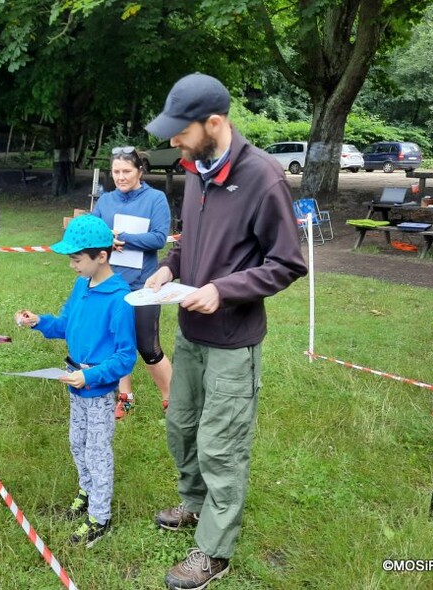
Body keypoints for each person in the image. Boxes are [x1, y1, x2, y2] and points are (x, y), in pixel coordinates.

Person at [143, 73, 308, 589]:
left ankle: (214, 550)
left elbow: (287, 262)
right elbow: (192, 237)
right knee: (183, 426)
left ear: (214, 122)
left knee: (221, 444)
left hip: (234, 339)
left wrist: (224, 289)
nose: (173, 143)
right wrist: (172, 265)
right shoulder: (195, 170)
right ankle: (195, 504)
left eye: (180, 131)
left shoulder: (264, 177)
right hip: (191, 331)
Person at [15, 215, 137, 547]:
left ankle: (100, 516)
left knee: (97, 451)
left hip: (96, 390)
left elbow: (126, 357)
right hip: (75, 384)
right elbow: (66, 324)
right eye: (70, 259)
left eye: (77, 259)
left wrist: (91, 375)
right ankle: (87, 489)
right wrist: (40, 321)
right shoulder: (82, 285)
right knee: (77, 443)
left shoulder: (120, 299)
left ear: (102, 256)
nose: (72, 265)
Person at [91, 147, 173, 419]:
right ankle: (125, 397)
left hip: (144, 286)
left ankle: (172, 398)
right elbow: (94, 231)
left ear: (140, 171)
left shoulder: (155, 199)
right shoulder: (106, 201)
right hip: (111, 285)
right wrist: (104, 240)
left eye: (126, 171)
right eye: (116, 172)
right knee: (117, 344)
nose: (121, 177)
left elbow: (159, 238)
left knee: (148, 347)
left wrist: (124, 237)